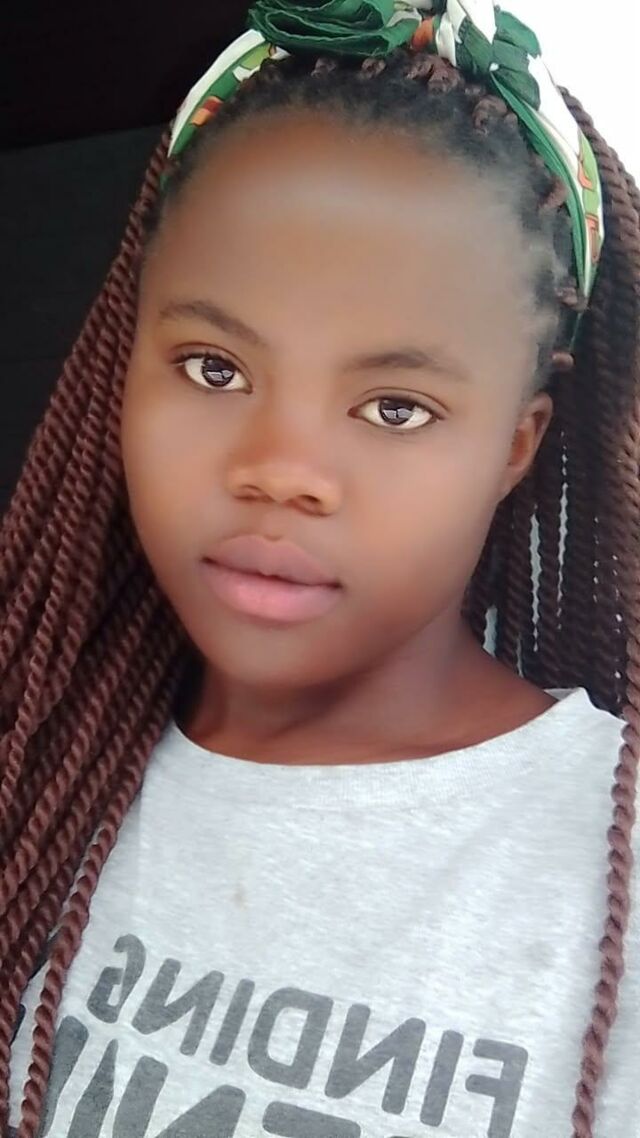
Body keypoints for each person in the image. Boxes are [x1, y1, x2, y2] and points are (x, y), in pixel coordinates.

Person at [1, 0, 639, 1135]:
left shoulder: (612, 858)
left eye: (395, 407)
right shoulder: (36, 766)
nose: (281, 471)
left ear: (514, 447)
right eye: (213, 368)